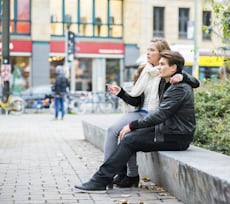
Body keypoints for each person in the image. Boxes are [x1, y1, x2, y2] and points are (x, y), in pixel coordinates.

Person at [75, 50, 196, 192]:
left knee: (130, 140)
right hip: (166, 130)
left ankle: (101, 179)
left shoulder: (179, 89)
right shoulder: (168, 82)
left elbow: (160, 114)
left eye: (162, 64)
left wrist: (133, 125)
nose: (159, 67)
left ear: (173, 68)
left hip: (176, 137)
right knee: (128, 137)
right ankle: (121, 176)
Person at [103, 38, 199, 188]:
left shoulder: (168, 74)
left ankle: (129, 174)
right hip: (141, 112)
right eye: (147, 50)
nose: (147, 53)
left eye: (152, 50)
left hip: (155, 117)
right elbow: (136, 100)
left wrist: (183, 76)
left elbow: (194, 82)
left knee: (128, 136)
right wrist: (121, 93)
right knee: (113, 130)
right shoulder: (145, 71)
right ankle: (112, 174)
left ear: (162, 54)